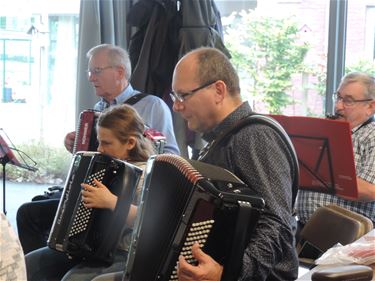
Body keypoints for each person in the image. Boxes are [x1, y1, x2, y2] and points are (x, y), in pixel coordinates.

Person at [16, 43, 180, 255]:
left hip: (127, 198)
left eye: (96, 71)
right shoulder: (98, 109)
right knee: (29, 213)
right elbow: (96, 155)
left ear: (119, 72)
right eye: (89, 71)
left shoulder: (152, 105)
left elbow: (171, 158)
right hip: (93, 193)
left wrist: (139, 150)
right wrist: (76, 145)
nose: (91, 77)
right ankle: (51, 260)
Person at [168, 47, 298, 280]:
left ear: (218, 90)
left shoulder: (253, 136)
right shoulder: (220, 141)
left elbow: (277, 224)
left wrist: (228, 274)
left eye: (183, 96)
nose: (177, 106)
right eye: (174, 97)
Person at [25, 104, 155, 281]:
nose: (100, 148)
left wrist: (111, 202)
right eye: (99, 141)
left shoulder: (148, 174)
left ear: (130, 143)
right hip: (89, 248)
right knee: (28, 265)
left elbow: (149, 221)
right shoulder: (104, 165)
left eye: (106, 143)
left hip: (124, 253)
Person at [296, 72, 375, 227]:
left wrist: (319, 172)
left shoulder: (371, 135)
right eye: (338, 97)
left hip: (348, 239)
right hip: (307, 229)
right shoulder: (327, 133)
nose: (338, 106)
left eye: (348, 101)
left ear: (370, 106)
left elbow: (371, 190)